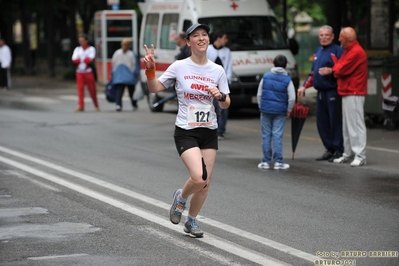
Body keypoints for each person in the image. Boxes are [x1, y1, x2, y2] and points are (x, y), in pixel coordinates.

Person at [143, 23, 230, 237]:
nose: (201, 38)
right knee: (199, 177)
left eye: (204, 35)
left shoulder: (217, 70)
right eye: (196, 36)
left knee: (205, 184)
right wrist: (150, 69)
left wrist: (220, 96)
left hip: (209, 131)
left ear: (209, 40)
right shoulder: (179, 66)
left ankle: (191, 221)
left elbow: (226, 103)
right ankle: (180, 198)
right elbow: (154, 88)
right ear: (188, 41)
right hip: (186, 131)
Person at [319, 27, 368, 167]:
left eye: (341, 37)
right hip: (348, 91)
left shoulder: (355, 52)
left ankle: (360, 155)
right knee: (347, 126)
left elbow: (340, 69)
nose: (339, 39)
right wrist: (336, 68)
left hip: (354, 91)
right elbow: (339, 66)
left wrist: (333, 69)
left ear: (346, 39)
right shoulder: (349, 51)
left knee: (356, 125)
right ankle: (348, 153)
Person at [297, 25, 344, 162]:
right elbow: (313, 73)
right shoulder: (318, 51)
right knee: (322, 122)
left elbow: (342, 69)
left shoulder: (337, 51)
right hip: (320, 92)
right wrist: (304, 86)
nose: (323, 37)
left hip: (332, 91)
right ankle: (329, 148)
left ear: (332, 36)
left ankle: (338, 149)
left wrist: (331, 70)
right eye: (321, 35)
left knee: (334, 121)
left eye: (326, 35)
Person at [257, 55, 295, 170]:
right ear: (285, 65)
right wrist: (289, 110)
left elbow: (259, 94)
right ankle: (278, 161)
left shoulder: (266, 77)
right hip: (280, 111)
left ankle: (266, 161)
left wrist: (261, 106)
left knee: (266, 135)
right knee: (277, 135)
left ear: (273, 63)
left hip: (265, 110)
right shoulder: (287, 79)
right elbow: (292, 98)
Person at [207, 30, 232, 140]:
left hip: (222, 82)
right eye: (224, 38)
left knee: (222, 106)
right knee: (210, 106)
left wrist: (227, 81)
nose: (226, 41)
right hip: (210, 82)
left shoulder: (227, 51)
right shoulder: (209, 50)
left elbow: (229, 67)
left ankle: (220, 129)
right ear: (218, 38)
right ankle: (210, 128)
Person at [71, 34, 100, 112]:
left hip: (88, 72)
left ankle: (96, 104)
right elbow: (74, 60)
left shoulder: (91, 49)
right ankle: (81, 105)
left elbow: (90, 60)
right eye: (80, 41)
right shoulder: (77, 49)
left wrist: (81, 59)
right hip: (79, 72)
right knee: (80, 89)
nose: (81, 42)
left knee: (92, 89)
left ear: (86, 41)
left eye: (83, 41)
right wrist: (84, 58)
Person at [111, 38, 140, 111]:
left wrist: (113, 74)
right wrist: (136, 74)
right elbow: (135, 65)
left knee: (119, 91)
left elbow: (113, 64)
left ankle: (118, 105)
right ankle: (134, 105)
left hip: (119, 75)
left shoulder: (116, 53)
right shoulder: (132, 54)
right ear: (129, 45)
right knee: (131, 91)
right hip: (130, 75)